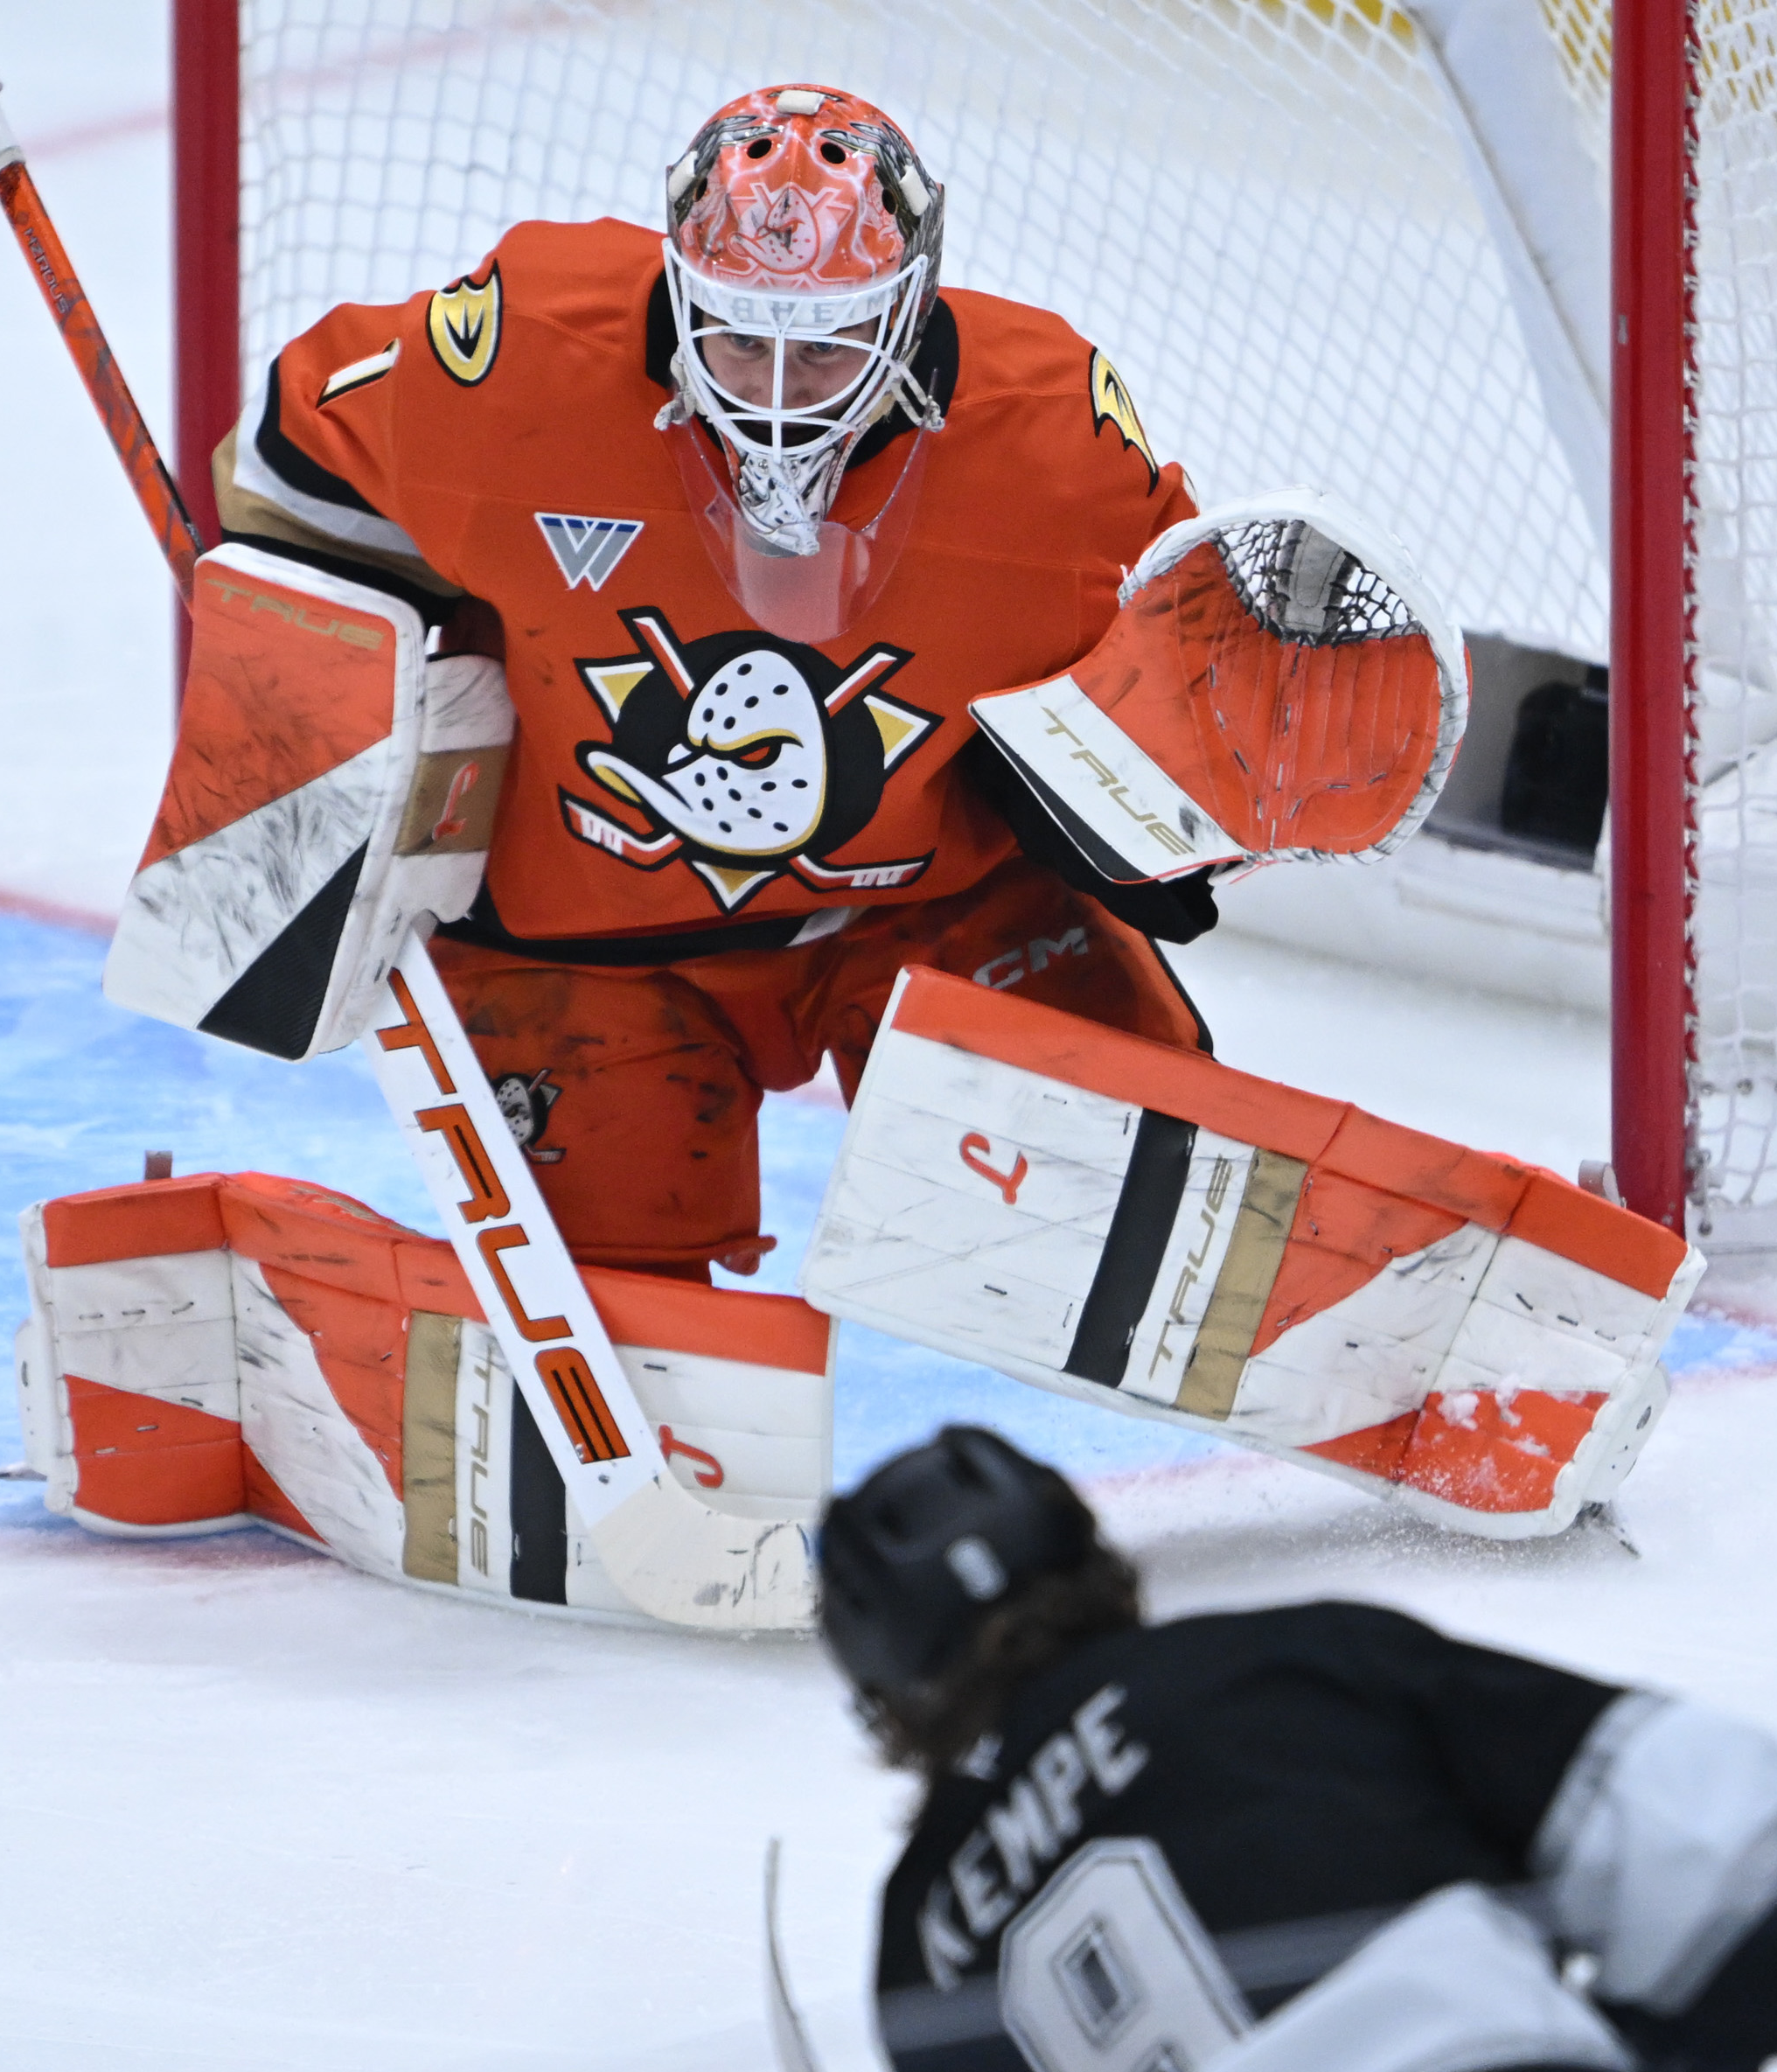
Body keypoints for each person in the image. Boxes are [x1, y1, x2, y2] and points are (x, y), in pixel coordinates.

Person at [209, 81, 1227, 1283]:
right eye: (743, 336)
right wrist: (336, 659)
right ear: (678, 290)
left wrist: (1155, 809)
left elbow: (1186, 663)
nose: (783, 389)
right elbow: (277, 469)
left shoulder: (1056, 440)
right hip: (580, 953)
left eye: (833, 341)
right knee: (629, 1322)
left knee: (1114, 1248)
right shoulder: (519, 359)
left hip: (923, 921)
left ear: (912, 307)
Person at [814, 1427, 1777, 2072]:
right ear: (1090, 1557)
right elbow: (1719, 1830)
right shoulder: (1282, 1663)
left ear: (889, 1693)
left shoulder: (912, 1940)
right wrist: (1675, 2068)